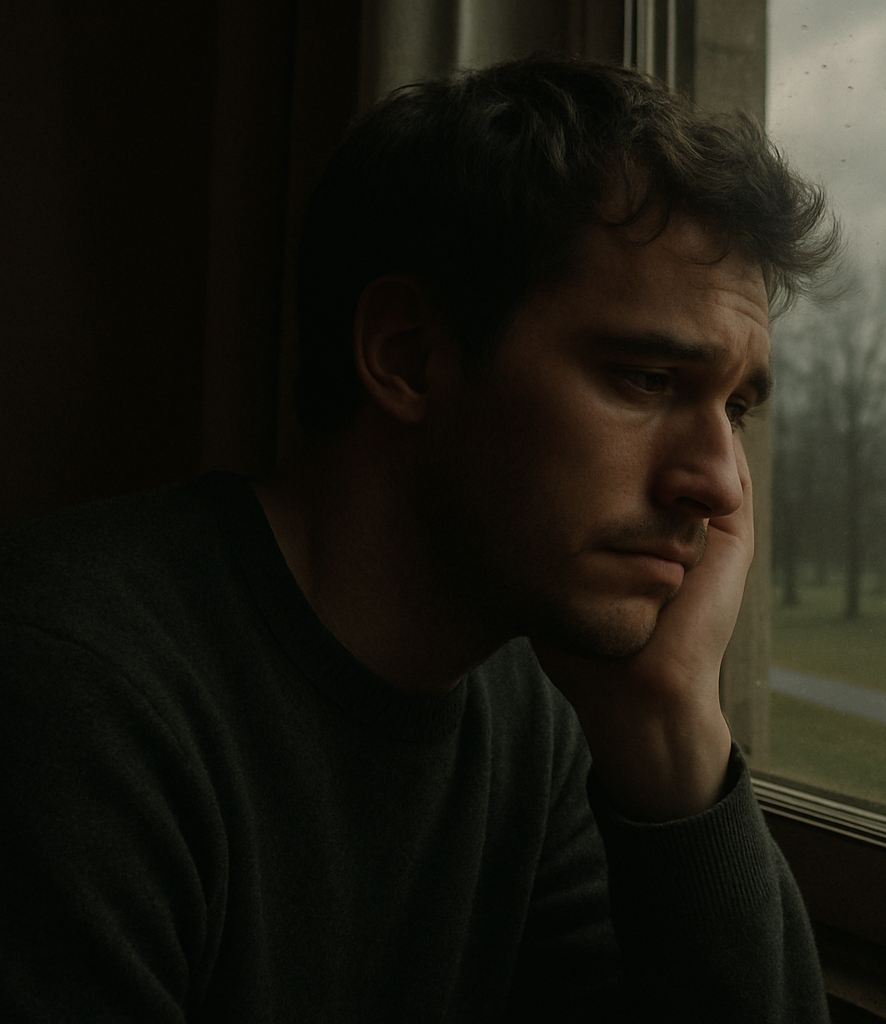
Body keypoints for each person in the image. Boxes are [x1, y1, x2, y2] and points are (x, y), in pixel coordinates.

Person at [0, 53, 839, 1021]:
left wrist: (670, 719)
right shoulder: (66, 692)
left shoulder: (540, 718)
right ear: (408, 356)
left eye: (735, 409)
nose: (721, 485)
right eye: (647, 380)